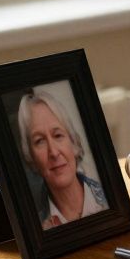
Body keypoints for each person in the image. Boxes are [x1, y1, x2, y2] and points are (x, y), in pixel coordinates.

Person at [17, 88, 109, 230]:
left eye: (58, 135)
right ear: (31, 157)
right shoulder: (36, 228)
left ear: (73, 143)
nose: (53, 152)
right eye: (40, 141)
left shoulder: (109, 200)